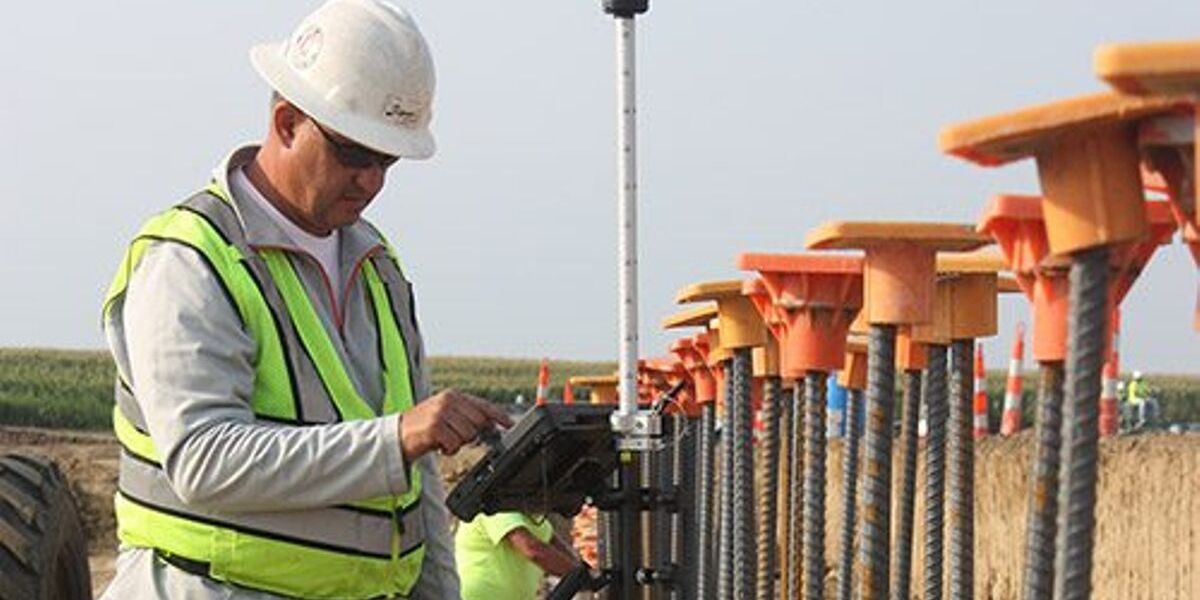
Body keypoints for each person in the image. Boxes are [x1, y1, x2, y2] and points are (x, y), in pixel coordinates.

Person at [99, 1, 512, 598]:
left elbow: (416, 481)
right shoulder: (191, 257)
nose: (372, 179)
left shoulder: (377, 267)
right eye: (353, 151)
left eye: (387, 158)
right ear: (289, 123)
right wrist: (395, 437)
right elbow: (204, 460)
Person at [455, 512, 582, 600]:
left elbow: (555, 545)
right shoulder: (495, 508)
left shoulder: (534, 518)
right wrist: (582, 578)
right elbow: (533, 550)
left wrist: (585, 571)